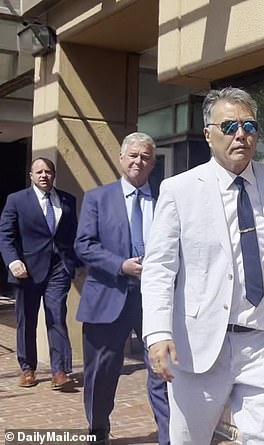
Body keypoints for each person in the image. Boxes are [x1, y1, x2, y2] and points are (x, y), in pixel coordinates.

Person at [142, 87, 264, 444]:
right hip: (198, 345)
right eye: (229, 126)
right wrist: (157, 333)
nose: (241, 134)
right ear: (208, 134)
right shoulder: (179, 190)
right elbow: (159, 269)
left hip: (262, 341)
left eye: (249, 126)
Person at [74, 132, 169, 445]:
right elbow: (84, 245)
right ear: (121, 158)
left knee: (162, 369)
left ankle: (169, 436)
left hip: (154, 299)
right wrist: (120, 264)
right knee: (101, 372)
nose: (138, 162)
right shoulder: (98, 198)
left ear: (152, 163)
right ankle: (98, 430)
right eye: (133, 155)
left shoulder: (165, 199)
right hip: (108, 295)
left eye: (145, 157)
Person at [0, 157, 81, 390]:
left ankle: (60, 371)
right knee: (27, 319)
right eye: (39, 172)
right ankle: (28, 369)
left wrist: (72, 263)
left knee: (56, 316)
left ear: (54, 175)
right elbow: (5, 235)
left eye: (48, 171)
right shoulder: (16, 200)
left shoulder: (67, 199)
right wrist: (13, 261)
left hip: (58, 269)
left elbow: (71, 235)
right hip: (27, 270)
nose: (44, 175)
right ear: (31, 176)